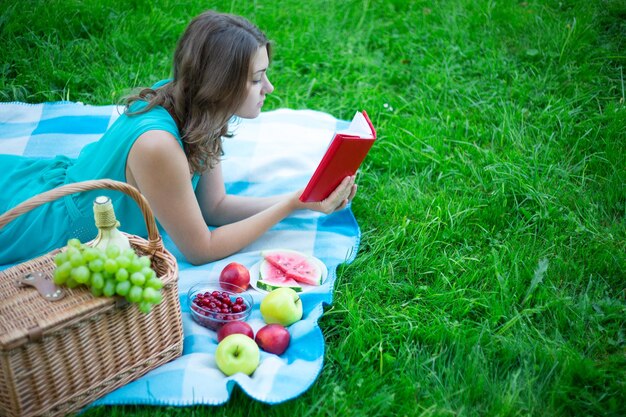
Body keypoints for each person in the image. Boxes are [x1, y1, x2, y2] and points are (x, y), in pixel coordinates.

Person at [0, 10, 357, 265]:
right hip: (54, 227)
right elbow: (200, 249)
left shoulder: (199, 107)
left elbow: (213, 208)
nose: (269, 88)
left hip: (61, 188)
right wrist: (289, 206)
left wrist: (301, 199)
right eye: (255, 79)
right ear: (220, 84)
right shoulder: (159, 146)